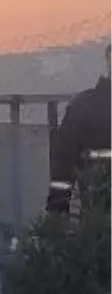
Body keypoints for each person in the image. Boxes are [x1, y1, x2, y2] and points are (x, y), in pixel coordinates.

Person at [47, 43, 112, 215]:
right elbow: (64, 160)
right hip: (100, 214)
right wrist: (58, 207)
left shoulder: (84, 105)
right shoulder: (85, 106)